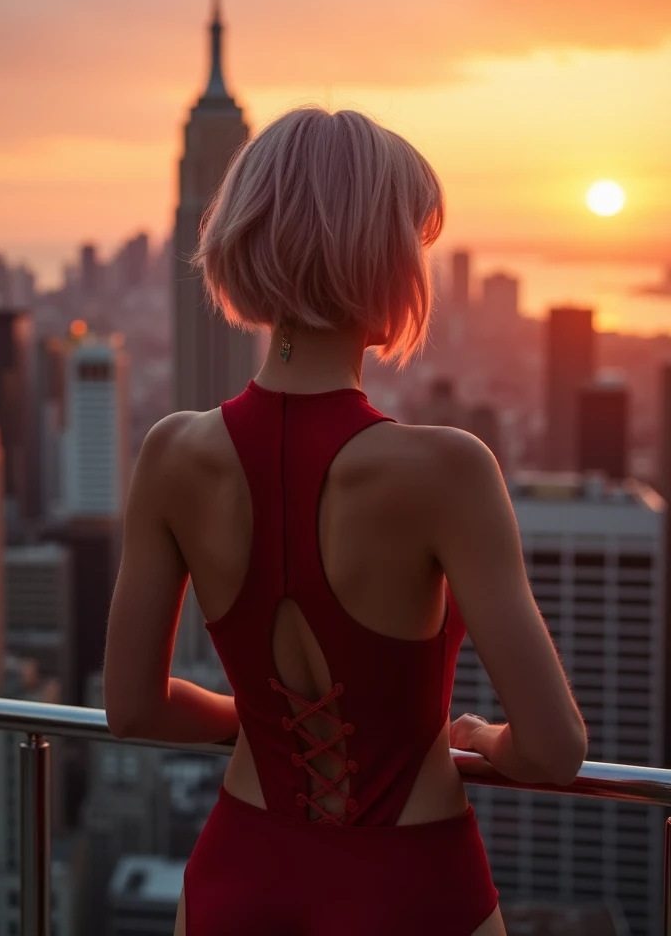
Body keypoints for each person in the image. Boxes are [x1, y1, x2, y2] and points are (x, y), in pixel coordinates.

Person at [103, 107, 588, 936]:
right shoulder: (447, 470)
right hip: (412, 886)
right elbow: (552, 747)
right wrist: (481, 738)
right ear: (389, 261)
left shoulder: (171, 453)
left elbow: (135, 710)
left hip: (237, 880)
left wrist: (254, 719)